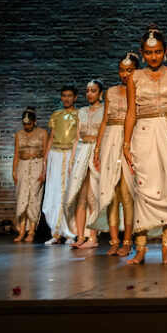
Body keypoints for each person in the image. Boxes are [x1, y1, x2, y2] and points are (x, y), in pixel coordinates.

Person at [122, 24, 167, 265]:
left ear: (166, 51)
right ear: (142, 54)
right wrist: (125, 142)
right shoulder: (135, 77)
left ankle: (166, 247)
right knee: (144, 187)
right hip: (143, 133)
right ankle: (140, 248)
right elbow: (131, 112)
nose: (154, 57)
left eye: (158, 52)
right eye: (149, 53)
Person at [91, 52, 139, 256]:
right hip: (110, 139)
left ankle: (127, 241)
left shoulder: (140, 90)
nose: (125, 74)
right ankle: (113, 241)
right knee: (110, 192)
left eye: (129, 70)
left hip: (130, 138)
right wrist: (97, 148)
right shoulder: (110, 92)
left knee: (127, 192)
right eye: (121, 70)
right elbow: (104, 121)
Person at [64, 79, 104, 248]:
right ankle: (80, 236)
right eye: (87, 91)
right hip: (82, 151)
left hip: (96, 151)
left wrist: (101, 155)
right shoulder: (81, 111)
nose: (89, 94)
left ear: (100, 93)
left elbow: (105, 134)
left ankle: (93, 238)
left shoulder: (104, 111)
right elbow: (76, 138)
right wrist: (72, 160)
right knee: (80, 196)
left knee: (93, 195)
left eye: (93, 91)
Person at [42, 86, 79, 245]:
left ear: (75, 97)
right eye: (64, 95)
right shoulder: (56, 115)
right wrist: (45, 160)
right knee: (55, 193)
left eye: (69, 96)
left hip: (70, 153)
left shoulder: (79, 115)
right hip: (55, 155)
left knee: (69, 194)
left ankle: (71, 233)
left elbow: (78, 138)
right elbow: (50, 139)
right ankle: (56, 233)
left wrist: (74, 157)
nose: (66, 98)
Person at [12, 107, 47, 242]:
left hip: (37, 165)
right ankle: (21, 230)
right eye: (24, 124)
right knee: (22, 198)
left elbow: (45, 153)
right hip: (23, 164)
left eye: (29, 124)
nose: (26, 126)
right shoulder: (19, 134)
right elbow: (16, 154)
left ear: (34, 121)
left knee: (34, 197)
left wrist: (44, 171)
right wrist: (14, 171)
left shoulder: (42, 133)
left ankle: (31, 230)